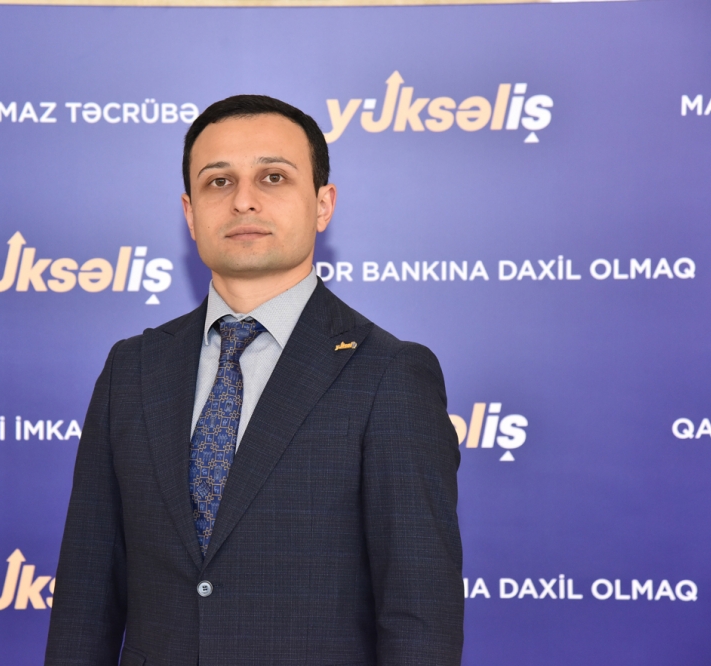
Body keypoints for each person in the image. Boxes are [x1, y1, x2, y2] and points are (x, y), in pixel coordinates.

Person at [45, 95, 463, 666]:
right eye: (218, 182)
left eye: (273, 177)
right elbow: (85, 600)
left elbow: (420, 616)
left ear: (323, 204)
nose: (243, 200)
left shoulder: (389, 374)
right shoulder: (133, 369)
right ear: (190, 213)